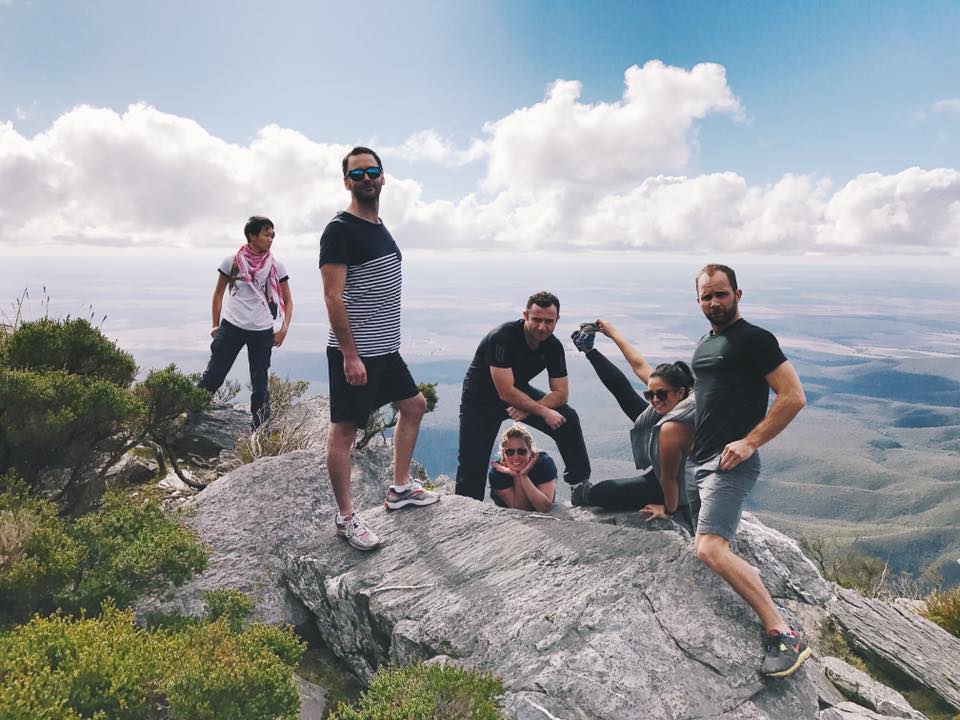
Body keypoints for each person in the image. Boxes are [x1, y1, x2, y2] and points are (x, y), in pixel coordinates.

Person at [690, 263, 809, 678]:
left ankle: (784, 633)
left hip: (729, 464)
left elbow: (793, 396)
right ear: (698, 300)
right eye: (706, 296)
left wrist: (750, 441)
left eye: (721, 294)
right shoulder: (706, 343)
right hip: (699, 462)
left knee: (709, 548)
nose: (714, 302)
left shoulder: (755, 339)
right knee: (696, 537)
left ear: (738, 295)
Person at [319, 146, 439, 551]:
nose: (366, 178)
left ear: (383, 176)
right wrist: (350, 355)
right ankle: (345, 519)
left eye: (372, 171)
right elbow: (333, 296)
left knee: (414, 405)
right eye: (357, 174)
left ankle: (400, 489)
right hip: (358, 352)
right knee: (345, 432)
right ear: (346, 182)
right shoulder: (340, 230)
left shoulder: (378, 225)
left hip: (386, 348)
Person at [455, 291, 590, 502]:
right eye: (536, 319)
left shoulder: (553, 346)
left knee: (568, 419)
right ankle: (466, 507)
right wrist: (541, 410)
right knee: (472, 461)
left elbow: (561, 393)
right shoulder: (502, 338)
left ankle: (580, 485)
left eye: (549, 321)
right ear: (525, 315)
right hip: (481, 399)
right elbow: (505, 392)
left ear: (557, 320)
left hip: (518, 392)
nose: (542, 327)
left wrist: (528, 409)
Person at [569, 320, 695, 532]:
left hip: (681, 487)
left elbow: (669, 478)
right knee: (624, 393)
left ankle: (587, 495)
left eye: (660, 394)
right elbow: (639, 365)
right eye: (650, 394)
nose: (655, 400)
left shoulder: (675, 427)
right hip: (666, 473)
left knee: (602, 493)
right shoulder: (677, 397)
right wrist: (610, 334)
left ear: (680, 393)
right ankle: (589, 351)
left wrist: (668, 510)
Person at [199, 216, 292, 429]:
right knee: (213, 375)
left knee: (260, 384)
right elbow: (218, 294)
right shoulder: (231, 262)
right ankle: (189, 415)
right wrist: (215, 324)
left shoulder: (276, 266)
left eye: (272, 235)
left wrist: (284, 328)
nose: (270, 239)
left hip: (262, 330)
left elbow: (287, 300)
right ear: (252, 235)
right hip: (232, 326)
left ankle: (260, 429)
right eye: (266, 235)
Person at [488, 424, 557, 512]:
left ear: (530, 451)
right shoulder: (497, 473)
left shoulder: (543, 464)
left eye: (521, 451)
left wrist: (523, 476)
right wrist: (517, 477)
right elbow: (521, 510)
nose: (516, 457)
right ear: (504, 454)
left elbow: (544, 508)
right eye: (510, 452)